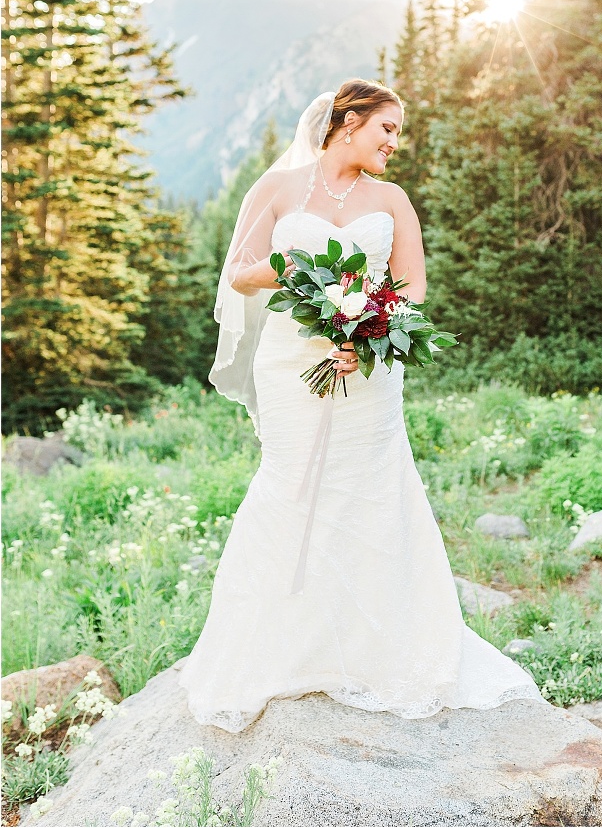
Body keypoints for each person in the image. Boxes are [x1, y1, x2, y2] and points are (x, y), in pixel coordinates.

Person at [180, 80, 540, 730]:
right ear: (349, 121)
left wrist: (364, 329)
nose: (395, 143)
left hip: (369, 370)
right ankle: (281, 647)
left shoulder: (392, 199)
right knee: (288, 488)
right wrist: (285, 264)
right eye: (388, 128)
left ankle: (376, 650)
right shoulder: (280, 188)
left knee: (371, 492)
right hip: (292, 363)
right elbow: (238, 271)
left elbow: (414, 286)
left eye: (398, 133)